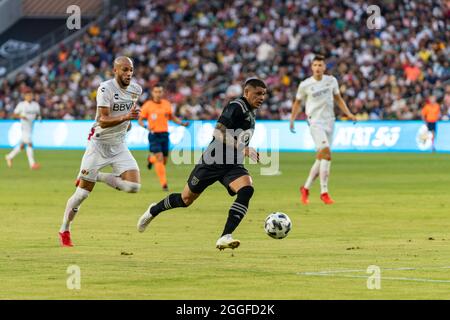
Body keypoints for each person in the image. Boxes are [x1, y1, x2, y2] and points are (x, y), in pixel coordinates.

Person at [136, 78, 267, 250]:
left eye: (264, 94)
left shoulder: (251, 111)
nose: (262, 97)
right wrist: (243, 147)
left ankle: (225, 236)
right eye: (258, 94)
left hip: (233, 164)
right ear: (246, 92)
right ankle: (154, 210)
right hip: (212, 161)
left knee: (246, 189)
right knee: (185, 199)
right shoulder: (236, 106)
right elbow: (219, 132)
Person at [58, 56, 143, 247]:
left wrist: (127, 123)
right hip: (98, 144)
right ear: (115, 70)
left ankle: (96, 176)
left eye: (131, 70)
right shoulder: (105, 88)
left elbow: (129, 112)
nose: (128, 73)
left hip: (119, 145)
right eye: (124, 70)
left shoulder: (136, 89)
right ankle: (64, 229)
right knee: (81, 195)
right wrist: (126, 117)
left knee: (134, 187)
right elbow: (103, 119)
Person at [290, 55, 356, 205]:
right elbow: (298, 102)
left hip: (330, 121)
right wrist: (292, 119)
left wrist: (348, 113)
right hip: (315, 122)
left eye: (320, 65)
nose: (318, 68)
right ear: (311, 67)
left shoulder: (331, 81)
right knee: (326, 153)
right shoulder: (305, 84)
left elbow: (338, 99)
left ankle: (305, 188)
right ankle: (324, 192)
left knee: (321, 157)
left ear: (324, 67)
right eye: (315, 65)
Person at [138, 84, 189, 191]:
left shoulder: (166, 104)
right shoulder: (148, 105)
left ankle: (151, 159)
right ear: (152, 93)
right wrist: (146, 126)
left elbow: (172, 117)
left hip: (164, 135)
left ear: (162, 93)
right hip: (154, 135)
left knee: (164, 160)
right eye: (156, 91)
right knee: (160, 158)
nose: (158, 93)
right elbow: (140, 120)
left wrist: (182, 123)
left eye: (160, 91)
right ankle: (164, 184)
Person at [5, 88, 41, 170]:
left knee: (22, 146)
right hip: (24, 127)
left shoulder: (35, 105)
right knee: (29, 144)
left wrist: (39, 118)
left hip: (31, 127)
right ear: (25, 96)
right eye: (27, 95)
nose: (29, 97)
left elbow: (38, 114)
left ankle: (9, 156)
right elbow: (14, 114)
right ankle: (32, 164)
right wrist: (21, 116)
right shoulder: (21, 105)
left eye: (30, 95)